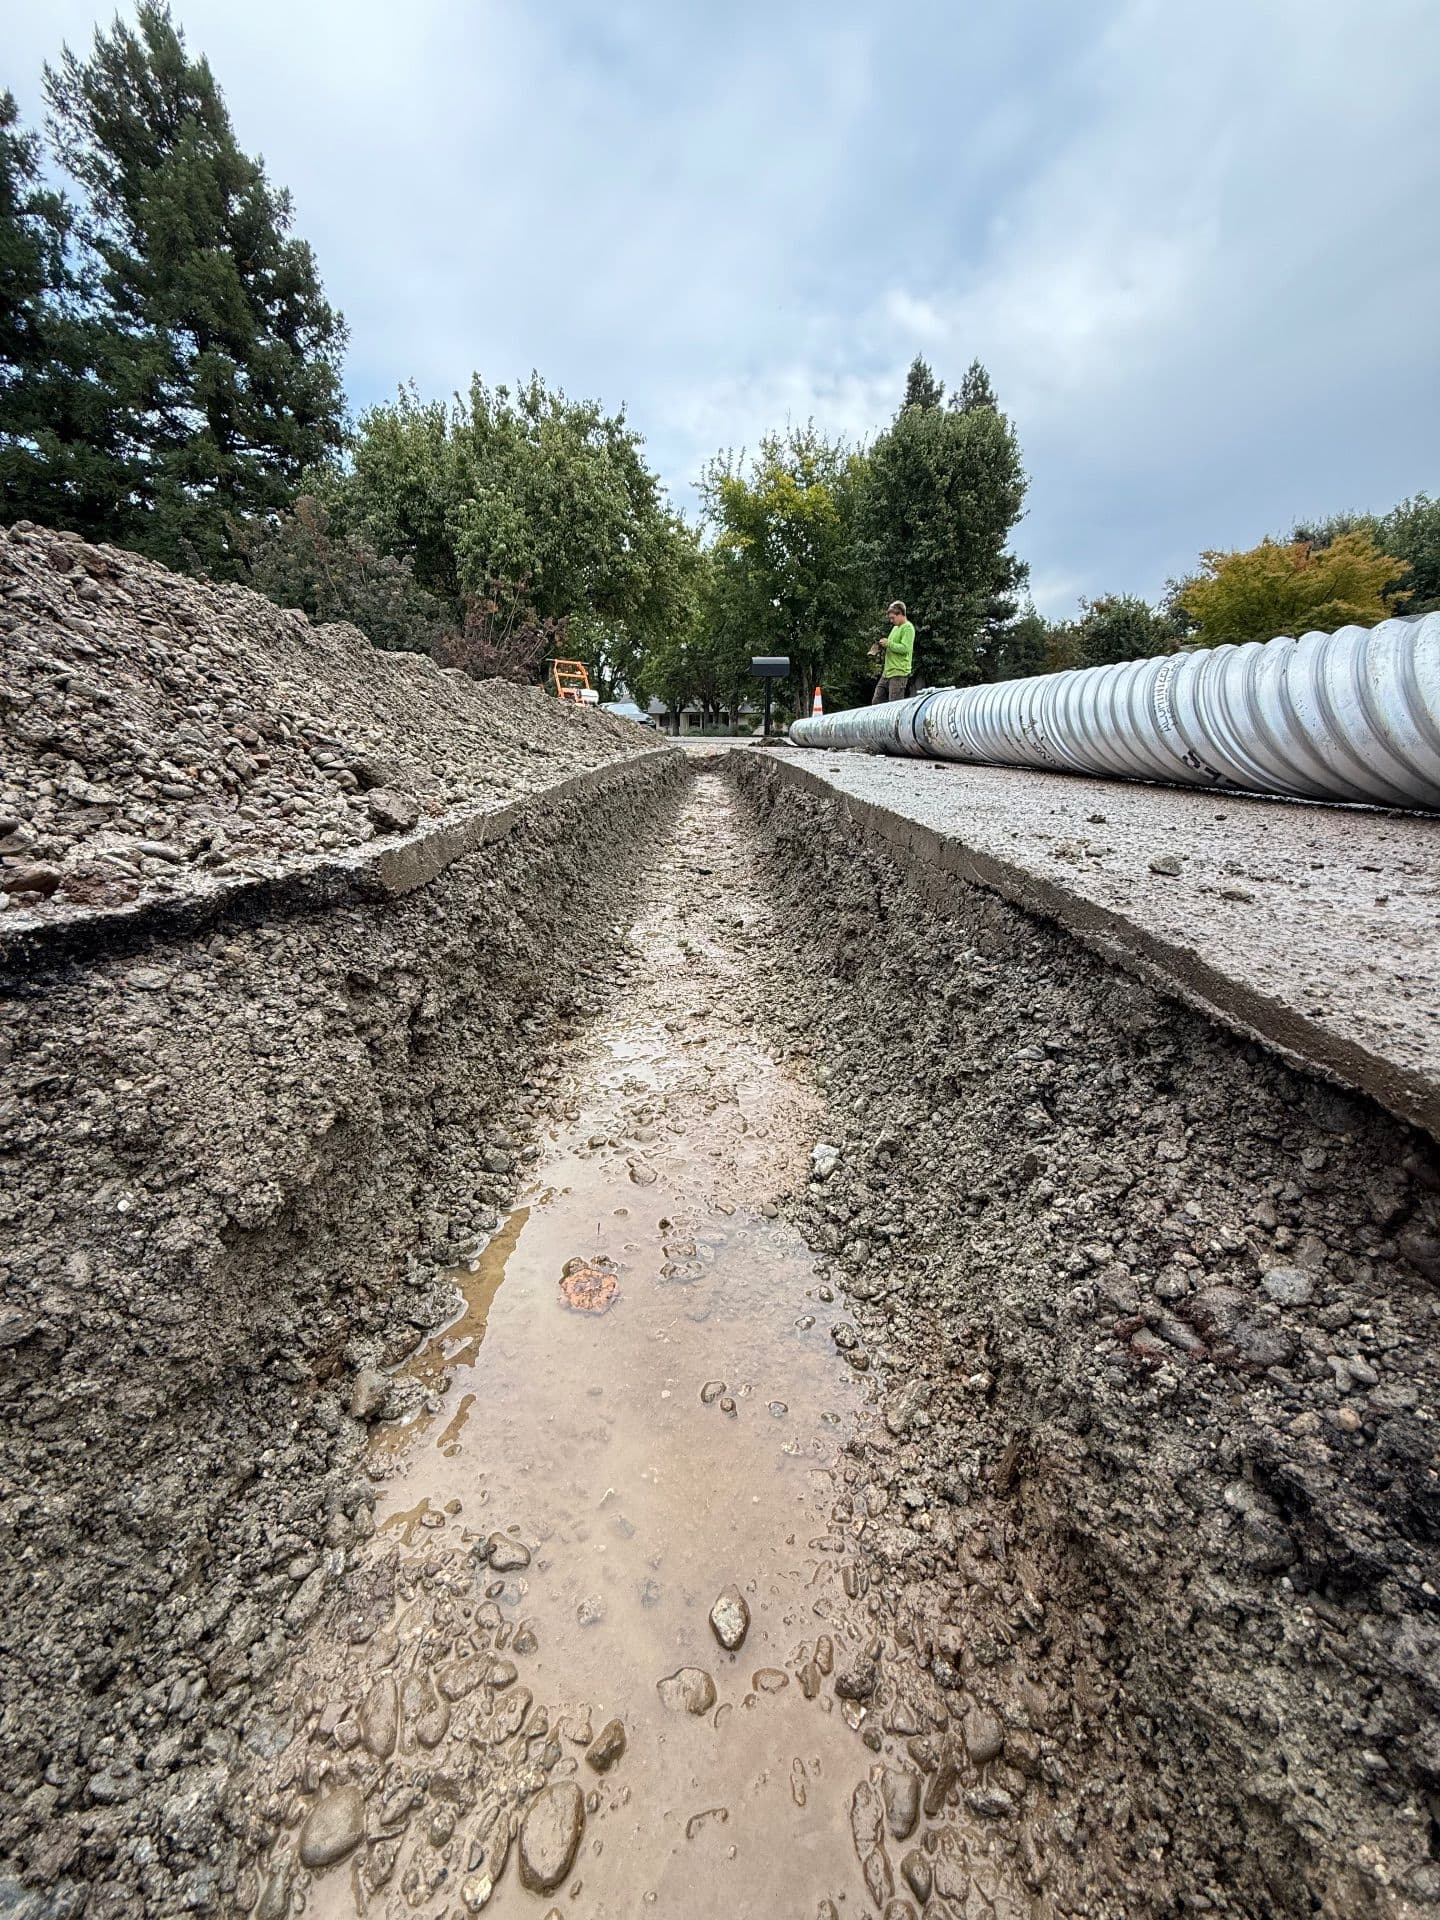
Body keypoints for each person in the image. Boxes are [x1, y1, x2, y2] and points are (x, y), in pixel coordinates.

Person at [870, 601, 915, 703]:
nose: (891, 621)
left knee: (894, 704)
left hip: (899, 673)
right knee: (876, 701)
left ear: (900, 614)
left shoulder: (908, 628)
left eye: (892, 618)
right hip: (887, 672)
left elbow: (905, 648)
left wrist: (888, 643)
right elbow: (891, 645)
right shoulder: (895, 628)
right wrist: (882, 645)